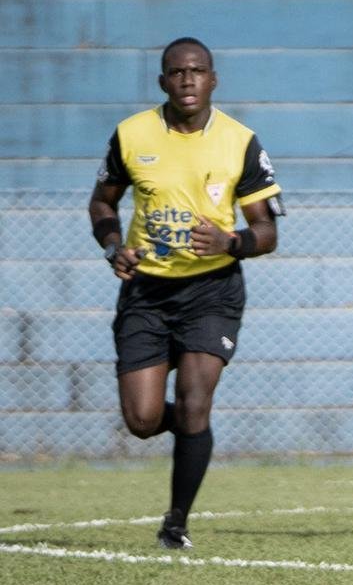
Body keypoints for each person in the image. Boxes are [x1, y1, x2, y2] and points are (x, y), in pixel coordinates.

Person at [88, 37, 284, 549]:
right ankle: (192, 432)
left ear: (213, 79)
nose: (188, 80)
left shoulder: (240, 142)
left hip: (211, 291)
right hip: (146, 292)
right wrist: (114, 247)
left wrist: (230, 241)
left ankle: (176, 524)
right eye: (177, 72)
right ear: (163, 81)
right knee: (142, 420)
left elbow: (267, 232)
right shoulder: (132, 135)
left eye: (198, 71)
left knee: (196, 402)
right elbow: (102, 203)